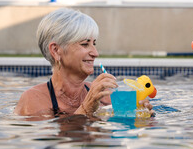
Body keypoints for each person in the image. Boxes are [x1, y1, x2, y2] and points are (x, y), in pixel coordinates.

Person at [15, 8, 153, 117]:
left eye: (94, 44)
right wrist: (87, 107)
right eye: (85, 44)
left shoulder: (104, 97)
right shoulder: (33, 100)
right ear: (56, 50)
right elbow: (52, 142)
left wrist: (143, 116)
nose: (95, 53)